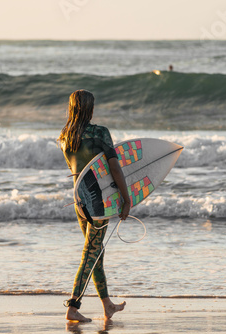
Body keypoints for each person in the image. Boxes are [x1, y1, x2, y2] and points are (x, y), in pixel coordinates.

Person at [58, 89, 130, 322]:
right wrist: (126, 199)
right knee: (91, 251)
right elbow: (114, 168)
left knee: (96, 251)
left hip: (79, 199)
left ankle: (107, 305)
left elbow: (77, 169)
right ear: (89, 108)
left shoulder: (66, 136)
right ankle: (73, 306)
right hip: (99, 200)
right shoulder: (100, 133)